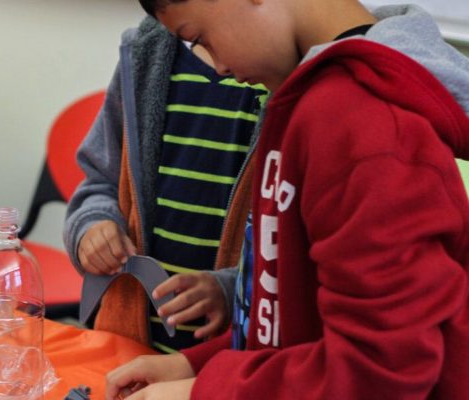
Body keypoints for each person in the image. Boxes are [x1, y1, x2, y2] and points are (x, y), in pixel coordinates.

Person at [105, 1, 469, 399]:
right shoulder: (308, 103)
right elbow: (292, 324)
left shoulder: (363, 121)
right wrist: (196, 364)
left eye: (199, 38)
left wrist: (202, 392)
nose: (217, 67)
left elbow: (379, 369)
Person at [64, 15, 268, 353]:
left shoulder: (278, 71)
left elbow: (291, 241)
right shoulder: (145, 54)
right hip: (129, 343)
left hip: (230, 356)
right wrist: (91, 227)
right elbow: (99, 180)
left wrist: (232, 288)